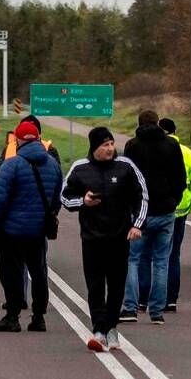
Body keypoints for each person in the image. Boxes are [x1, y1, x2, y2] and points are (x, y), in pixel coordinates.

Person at [61, 127, 147, 352]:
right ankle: (99, 330)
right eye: (104, 145)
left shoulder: (126, 166)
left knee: (117, 286)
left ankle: (111, 328)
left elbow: (142, 196)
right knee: (95, 286)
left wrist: (137, 225)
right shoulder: (80, 168)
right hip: (91, 239)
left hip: (119, 238)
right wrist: (83, 201)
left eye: (111, 144)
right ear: (94, 147)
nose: (110, 149)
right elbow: (64, 197)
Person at [0, 119, 61, 332]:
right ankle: (38, 317)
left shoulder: (12, 164)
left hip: (12, 230)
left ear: (17, 139)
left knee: (12, 272)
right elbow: (56, 198)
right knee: (38, 272)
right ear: (38, 138)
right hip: (38, 231)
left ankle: (12, 316)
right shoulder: (53, 164)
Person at [121, 110, 186, 324]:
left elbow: (126, 178)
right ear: (158, 123)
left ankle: (131, 307)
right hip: (166, 210)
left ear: (138, 123)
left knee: (133, 259)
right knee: (161, 261)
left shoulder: (132, 146)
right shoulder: (171, 145)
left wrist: (131, 206)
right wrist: (173, 200)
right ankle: (157, 312)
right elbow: (180, 178)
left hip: (140, 213)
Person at [158, 117, 191, 313]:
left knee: (156, 256)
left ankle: (151, 299)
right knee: (173, 256)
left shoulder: (155, 150)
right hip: (180, 211)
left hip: (160, 210)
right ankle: (171, 300)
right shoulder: (187, 153)